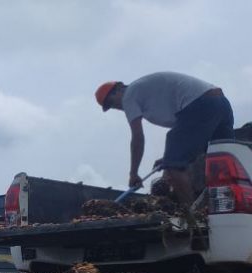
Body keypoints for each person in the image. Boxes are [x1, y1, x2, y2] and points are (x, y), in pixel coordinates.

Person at [95, 72, 234, 206]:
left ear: (118, 89)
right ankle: (230, 207)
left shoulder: (129, 95)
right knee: (222, 164)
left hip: (201, 104)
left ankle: (191, 217)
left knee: (174, 167)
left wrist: (134, 173)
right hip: (220, 103)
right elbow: (189, 133)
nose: (116, 108)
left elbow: (137, 138)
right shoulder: (144, 92)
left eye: (112, 103)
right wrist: (167, 158)